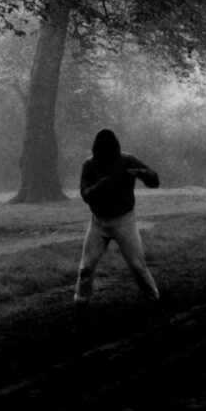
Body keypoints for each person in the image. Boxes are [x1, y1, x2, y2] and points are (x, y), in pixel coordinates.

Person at [74, 128, 160, 314]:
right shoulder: (89, 165)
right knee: (86, 268)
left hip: (124, 220)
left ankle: (154, 300)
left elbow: (155, 180)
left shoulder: (127, 161)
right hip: (98, 222)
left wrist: (143, 174)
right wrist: (102, 184)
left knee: (138, 267)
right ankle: (80, 304)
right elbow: (85, 195)